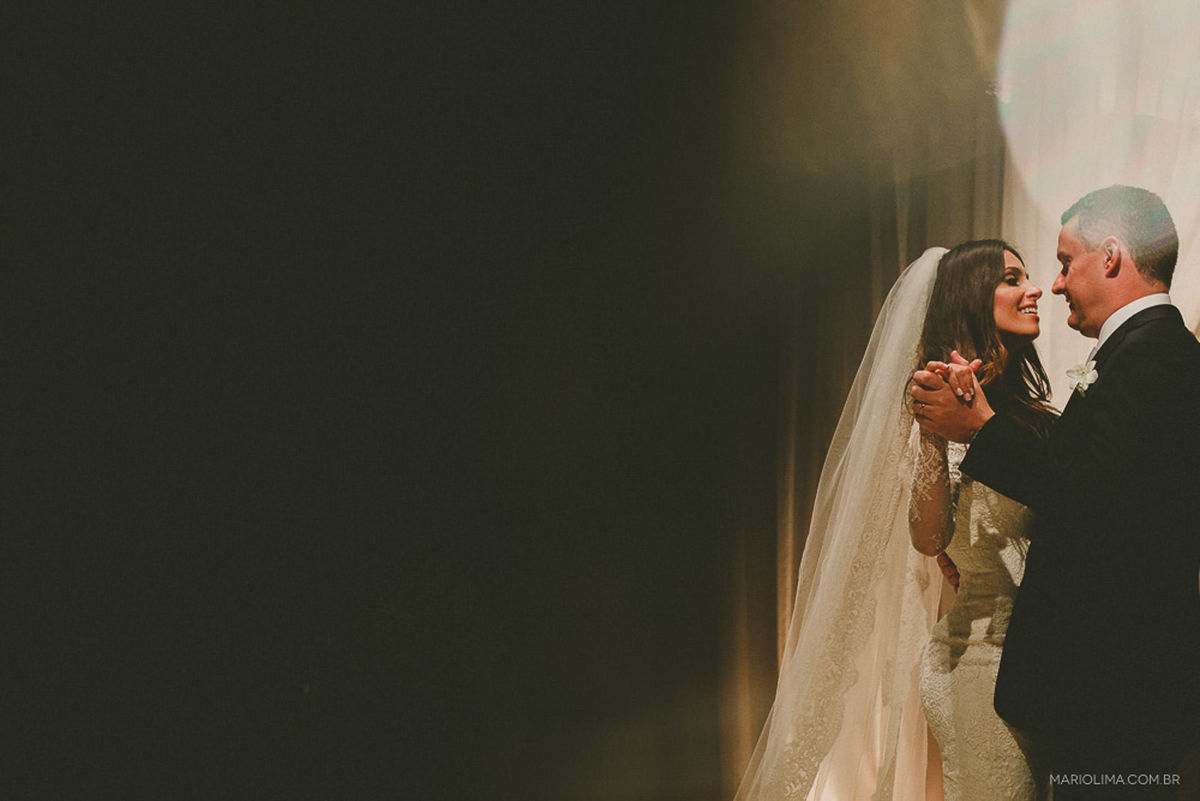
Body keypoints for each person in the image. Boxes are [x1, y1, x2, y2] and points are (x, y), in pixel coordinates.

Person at [735, 240, 1052, 801]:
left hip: (1045, 661)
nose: (1034, 289)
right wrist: (933, 432)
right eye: (1011, 278)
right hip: (981, 665)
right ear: (971, 298)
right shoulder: (942, 411)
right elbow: (929, 537)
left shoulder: (1034, 415)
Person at [912, 186, 1200, 799]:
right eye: (1014, 276)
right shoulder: (1135, 354)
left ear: (1112, 256)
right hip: (1030, 670)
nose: (1054, 284)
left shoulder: (1151, 356)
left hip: (1114, 688)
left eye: (1065, 264)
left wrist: (983, 433)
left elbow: (1097, 500)